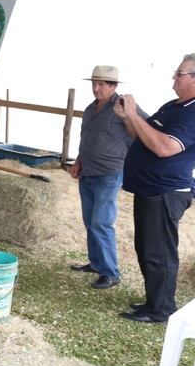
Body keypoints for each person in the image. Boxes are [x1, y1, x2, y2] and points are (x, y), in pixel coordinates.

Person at [115, 54, 195, 324]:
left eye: (180, 73)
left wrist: (135, 112)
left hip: (166, 192)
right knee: (148, 248)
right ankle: (154, 301)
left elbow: (164, 148)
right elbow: (143, 136)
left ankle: (160, 310)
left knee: (159, 252)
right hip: (151, 190)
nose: (174, 76)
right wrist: (129, 117)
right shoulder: (174, 105)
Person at [69, 66, 147, 290]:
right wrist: (78, 161)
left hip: (110, 172)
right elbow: (87, 138)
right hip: (87, 171)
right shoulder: (90, 108)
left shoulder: (123, 106)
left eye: (102, 84)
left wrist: (131, 157)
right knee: (89, 221)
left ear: (114, 86)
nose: (96, 88)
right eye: (94, 83)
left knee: (101, 223)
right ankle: (96, 263)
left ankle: (111, 272)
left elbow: (146, 127)